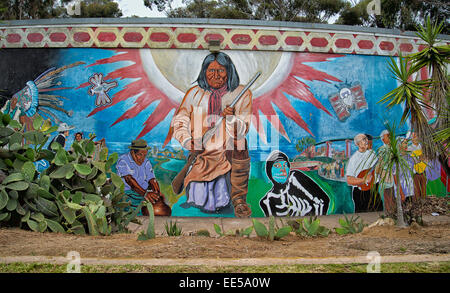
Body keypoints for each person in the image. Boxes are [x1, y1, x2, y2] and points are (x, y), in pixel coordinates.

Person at [169, 52, 252, 217]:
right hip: (201, 153)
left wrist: (231, 118)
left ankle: (238, 200)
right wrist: (187, 141)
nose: (216, 75)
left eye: (221, 70)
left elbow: (243, 128)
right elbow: (180, 120)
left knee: (240, 145)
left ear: (229, 71)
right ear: (204, 72)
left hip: (227, 154)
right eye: (211, 70)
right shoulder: (193, 94)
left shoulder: (242, 93)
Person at [259, 151, 329, 217]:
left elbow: (322, 201)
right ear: (269, 170)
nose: (282, 170)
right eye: (277, 166)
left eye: (285, 166)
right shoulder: (266, 202)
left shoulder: (294, 178)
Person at [116, 139, 171, 216]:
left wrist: (157, 192)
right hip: (126, 194)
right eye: (140, 155)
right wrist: (145, 193)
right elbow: (129, 180)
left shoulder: (146, 162)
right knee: (135, 211)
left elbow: (152, 179)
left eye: (145, 155)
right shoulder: (123, 161)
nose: (142, 158)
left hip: (141, 194)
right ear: (132, 153)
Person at [346, 134, 379, 212]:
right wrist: (363, 180)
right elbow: (349, 180)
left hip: (374, 189)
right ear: (358, 144)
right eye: (364, 140)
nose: (366, 141)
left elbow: (377, 171)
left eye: (366, 139)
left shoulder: (373, 154)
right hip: (361, 193)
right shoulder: (353, 159)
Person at [376, 130, 396, 213]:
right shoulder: (382, 150)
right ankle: (388, 212)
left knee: (392, 194)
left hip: (391, 174)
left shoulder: (392, 148)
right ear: (383, 139)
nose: (390, 137)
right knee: (387, 194)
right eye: (387, 136)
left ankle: (392, 211)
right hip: (386, 174)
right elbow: (381, 163)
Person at [407, 131, 427, 201]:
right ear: (411, 138)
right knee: (416, 192)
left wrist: (419, 158)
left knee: (424, 191)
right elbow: (412, 160)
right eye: (413, 136)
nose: (415, 137)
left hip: (423, 172)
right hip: (415, 173)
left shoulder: (422, 147)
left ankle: (424, 206)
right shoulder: (409, 148)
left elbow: (425, 158)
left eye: (416, 136)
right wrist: (419, 158)